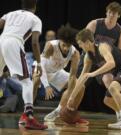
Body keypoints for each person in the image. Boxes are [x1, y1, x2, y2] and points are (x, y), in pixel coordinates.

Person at [60, 29, 121, 130]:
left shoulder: (102, 46)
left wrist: (93, 73)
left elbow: (111, 63)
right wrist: (71, 97)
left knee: (113, 89)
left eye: (80, 43)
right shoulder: (88, 57)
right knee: (108, 100)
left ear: (87, 42)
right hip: (120, 71)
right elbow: (82, 78)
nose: (80, 46)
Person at [0, 0, 47, 130]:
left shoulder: (9, 13)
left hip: (1, 40)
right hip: (14, 43)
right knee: (27, 82)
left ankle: (26, 117)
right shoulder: (35, 19)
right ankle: (29, 117)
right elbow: (35, 43)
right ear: (35, 6)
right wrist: (38, 62)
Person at [32, 25, 88, 124]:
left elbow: (72, 76)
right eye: (64, 45)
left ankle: (63, 111)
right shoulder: (51, 46)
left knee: (80, 86)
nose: (66, 48)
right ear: (59, 40)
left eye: (68, 46)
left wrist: (70, 96)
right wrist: (47, 86)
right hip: (41, 68)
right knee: (36, 80)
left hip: (57, 72)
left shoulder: (75, 53)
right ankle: (27, 112)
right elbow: (42, 66)